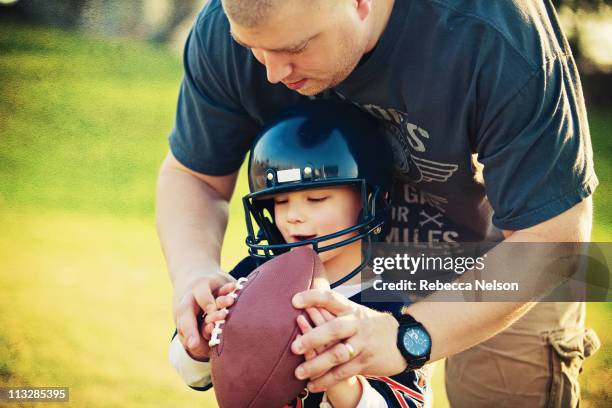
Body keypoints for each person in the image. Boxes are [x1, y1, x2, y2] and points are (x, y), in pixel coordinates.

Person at [156, 0, 599, 406]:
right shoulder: (238, 20)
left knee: (504, 390)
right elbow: (194, 176)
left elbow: (552, 238)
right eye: (252, 49)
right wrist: (195, 276)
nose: (272, 72)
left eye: (295, 47)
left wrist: (407, 337)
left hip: (501, 254)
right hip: (330, 254)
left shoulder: (494, 29)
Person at [169, 100, 430, 407]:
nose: (294, 216)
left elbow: (409, 402)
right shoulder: (253, 277)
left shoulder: (395, 298)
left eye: (316, 198)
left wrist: (341, 378)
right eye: (280, 202)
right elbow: (192, 374)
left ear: (369, 200)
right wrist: (202, 343)